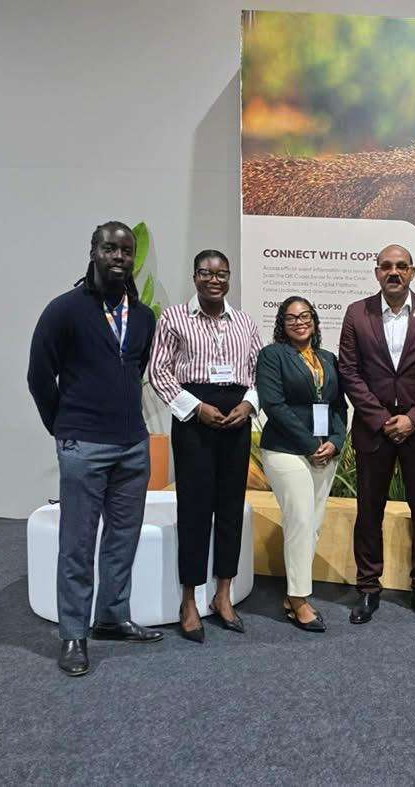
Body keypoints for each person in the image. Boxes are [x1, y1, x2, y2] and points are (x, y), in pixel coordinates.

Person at [28, 221, 163, 677]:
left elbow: (135, 370)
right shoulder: (64, 310)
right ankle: (73, 634)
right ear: (93, 251)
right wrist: (62, 427)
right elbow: (38, 376)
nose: (119, 257)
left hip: (132, 445)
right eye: (110, 248)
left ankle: (111, 617)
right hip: (83, 444)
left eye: (126, 250)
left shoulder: (142, 317)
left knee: (123, 537)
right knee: (78, 543)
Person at [148, 250, 261, 642]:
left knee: (230, 507)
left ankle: (223, 594)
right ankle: (190, 599)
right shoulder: (174, 318)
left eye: (222, 273)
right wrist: (196, 408)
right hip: (194, 419)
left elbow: (259, 372)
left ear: (229, 278)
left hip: (236, 417)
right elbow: (158, 371)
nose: (215, 279)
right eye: (206, 273)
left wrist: (249, 405)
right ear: (194, 276)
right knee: (194, 509)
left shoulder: (245, 322)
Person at [338, 244, 415, 624]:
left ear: (412, 272)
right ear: (376, 272)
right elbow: (349, 371)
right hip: (375, 431)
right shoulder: (357, 313)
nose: (394, 272)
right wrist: (382, 418)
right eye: (386, 266)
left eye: (401, 266)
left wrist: (414, 419)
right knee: (369, 512)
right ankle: (368, 588)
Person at [256, 297, 347, 632]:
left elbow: (338, 406)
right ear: (282, 323)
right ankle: (298, 600)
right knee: (300, 520)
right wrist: (310, 445)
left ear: (314, 320)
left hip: (324, 450)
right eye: (291, 317)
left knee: (314, 524)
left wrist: (336, 441)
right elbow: (273, 405)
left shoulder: (328, 358)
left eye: (305, 316)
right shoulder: (272, 355)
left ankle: (294, 593)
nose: (299, 322)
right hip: (286, 451)